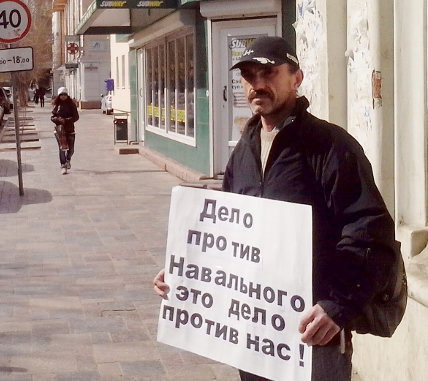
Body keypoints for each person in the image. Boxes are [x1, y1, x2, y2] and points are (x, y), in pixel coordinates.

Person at [153, 36, 398, 380]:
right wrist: (187, 274)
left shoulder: (330, 146)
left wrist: (338, 306)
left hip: (313, 333)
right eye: (250, 76)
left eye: (268, 73)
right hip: (255, 335)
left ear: (296, 79)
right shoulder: (246, 148)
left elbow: (369, 232)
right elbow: (227, 236)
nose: (258, 84)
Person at [51, 87, 79, 175]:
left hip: (70, 129)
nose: (63, 96)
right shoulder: (56, 105)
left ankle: (68, 160)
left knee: (71, 150)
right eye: (61, 95)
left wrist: (67, 120)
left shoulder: (72, 105)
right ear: (59, 96)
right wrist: (58, 119)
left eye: (65, 95)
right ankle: (63, 165)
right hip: (60, 130)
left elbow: (76, 117)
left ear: (67, 95)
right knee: (62, 148)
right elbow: (52, 117)